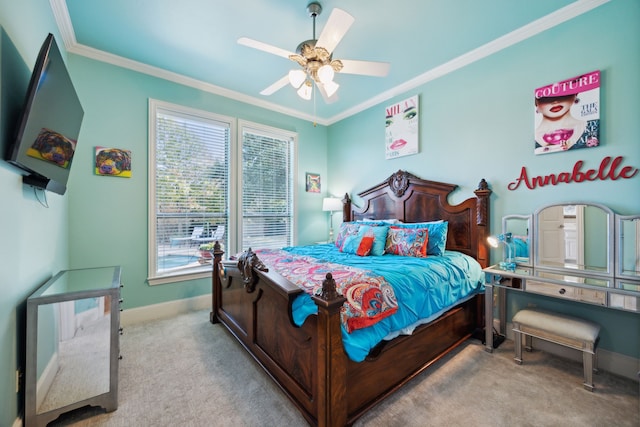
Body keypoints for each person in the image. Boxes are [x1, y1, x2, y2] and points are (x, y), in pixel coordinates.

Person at [534, 93, 599, 154]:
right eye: (545, 98)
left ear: (575, 95)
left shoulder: (594, 126)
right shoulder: (530, 139)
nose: (555, 101)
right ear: (536, 102)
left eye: (562, 95)